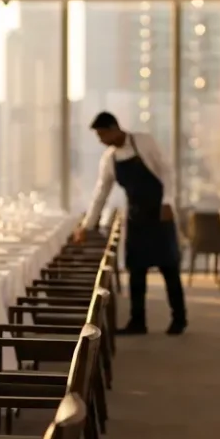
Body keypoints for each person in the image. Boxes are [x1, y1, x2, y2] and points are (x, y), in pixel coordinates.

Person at [72, 112, 187, 335]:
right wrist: (87, 226)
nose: (100, 139)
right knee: (136, 271)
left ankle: (179, 319)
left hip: (161, 214)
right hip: (136, 218)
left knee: (169, 268)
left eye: (102, 134)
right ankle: (138, 322)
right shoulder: (109, 159)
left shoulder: (143, 141)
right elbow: (100, 194)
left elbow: (167, 170)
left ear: (114, 128)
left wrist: (168, 202)